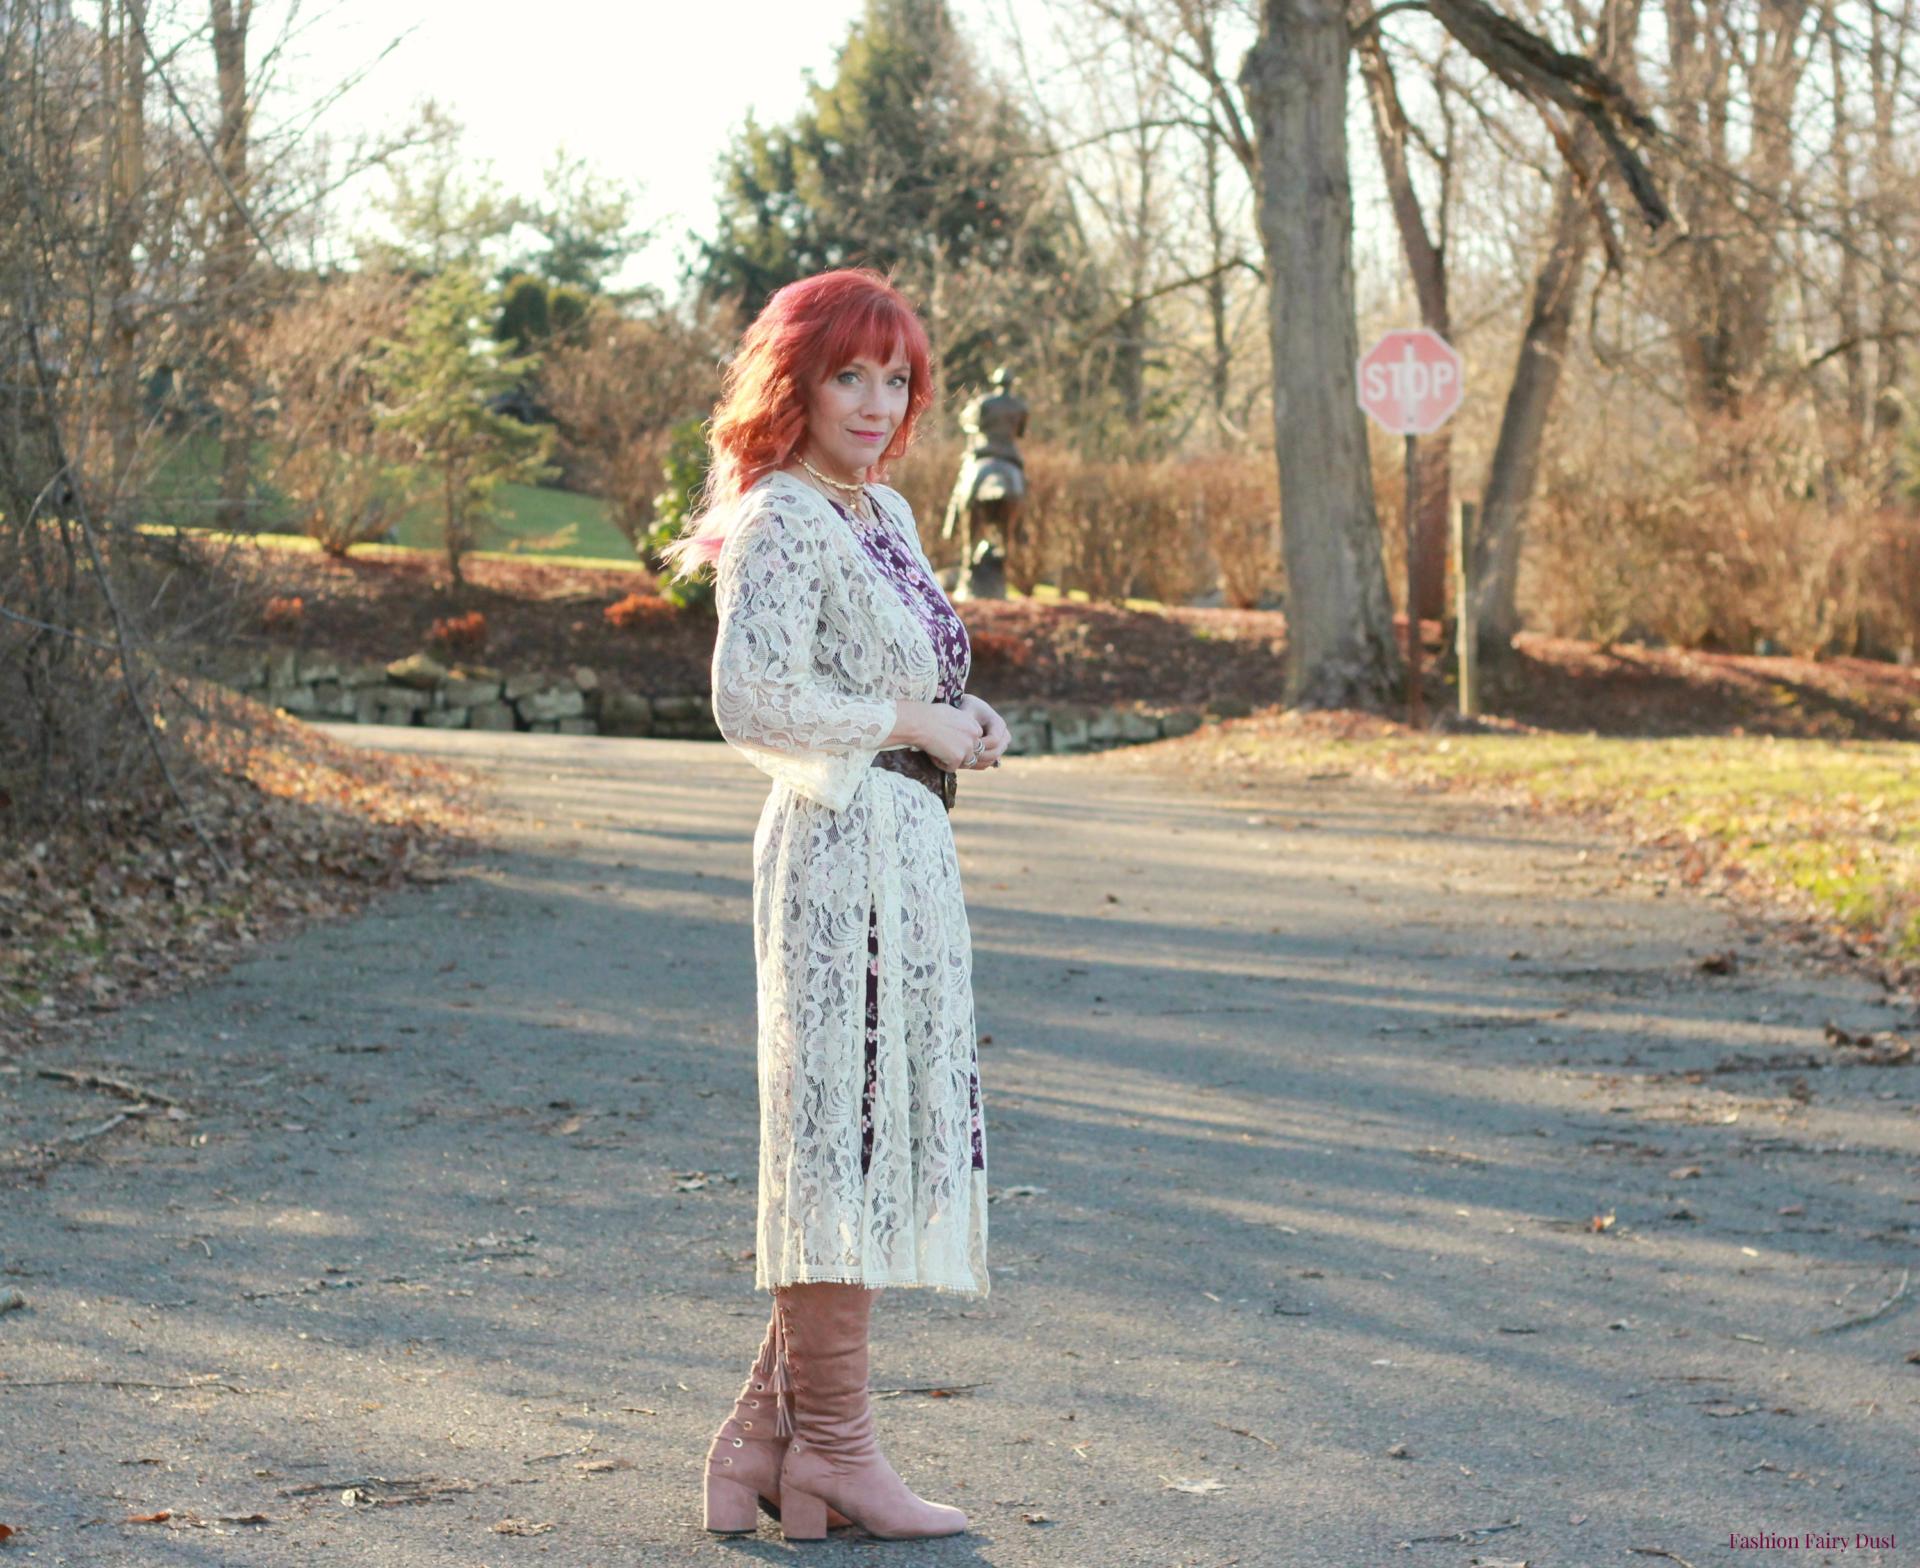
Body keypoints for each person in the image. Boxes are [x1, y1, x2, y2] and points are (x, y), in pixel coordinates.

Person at [656, 267, 1012, 1542]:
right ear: (793, 381)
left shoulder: (890, 512)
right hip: (834, 854)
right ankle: (842, 1455)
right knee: (838, 1138)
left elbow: (903, 672)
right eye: (848, 374)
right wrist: (913, 718)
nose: (876, 400)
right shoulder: (781, 518)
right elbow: (750, 698)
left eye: (896, 377)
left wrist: (960, 719)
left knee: (863, 1129)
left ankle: (769, 1444)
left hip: (910, 849)